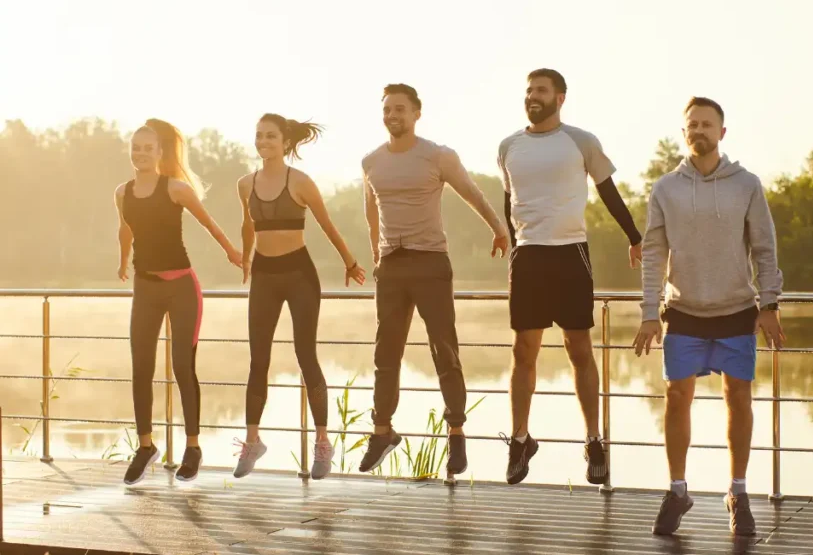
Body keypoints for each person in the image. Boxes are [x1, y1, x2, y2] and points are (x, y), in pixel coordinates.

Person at [634, 97, 785, 537]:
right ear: (684, 133)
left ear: (722, 132)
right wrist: (648, 313)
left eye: (707, 124)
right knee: (676, 398)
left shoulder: (746, 184)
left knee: (738, 399)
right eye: (692, 125)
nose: (699, 130)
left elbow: (765, 248)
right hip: (683, 311)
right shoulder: (665, 188)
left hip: (737, 310)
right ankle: (678, 489)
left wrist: (770, 303)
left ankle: (738, 492)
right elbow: (653, 256)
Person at [498, 68, 643, 486]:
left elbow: (608, 191)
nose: (532, 96)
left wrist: (634, 236)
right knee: (524, 349)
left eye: (541, 90)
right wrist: (506, 238)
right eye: (528, 90)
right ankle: (521, 439)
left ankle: (593, 440)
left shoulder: (581, 141)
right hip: (527, 257)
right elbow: (509, 201)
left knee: (578, 346)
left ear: (560, 97)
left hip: (570, 254)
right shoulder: (509, 146)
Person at [359, 83, 508, 476]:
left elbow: (473, 194)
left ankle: (456, 433)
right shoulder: (371, 162)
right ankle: (381, 431)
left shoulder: (437, 156)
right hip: (392, 267)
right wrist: (377, 254)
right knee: (385, 353)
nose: (393, 115)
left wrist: (498, 228)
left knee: (445, 349)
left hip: (431, 263)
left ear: (416, 114)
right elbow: (370, 211)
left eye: (400, 109)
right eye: (388, 109)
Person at [233, 114, 366, 480]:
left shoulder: (301, 182)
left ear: (285, 141)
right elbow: (247, 225)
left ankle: (323, 443)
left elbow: (326, 225)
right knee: (258, 358)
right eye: (259, 135)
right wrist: (245, 261)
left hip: (299, 275)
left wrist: (350, 261)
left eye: (270, 136)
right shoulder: (246, 184)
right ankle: (252, 441)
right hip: (264, 275)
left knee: (305, 354)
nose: (263, 141)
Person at [116, 119, 242, 485]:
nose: (141, 154)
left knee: (182, 367)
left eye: (148, 148)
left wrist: (232, 252)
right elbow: (125, 228)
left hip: (182, 288)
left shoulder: (176, 189)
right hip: (145, 288)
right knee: (141, 366)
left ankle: (193, 446)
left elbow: (208, 223)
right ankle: (145, 446)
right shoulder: (122, 192)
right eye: (136, 148)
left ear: (160, 153)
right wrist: (123, 261)